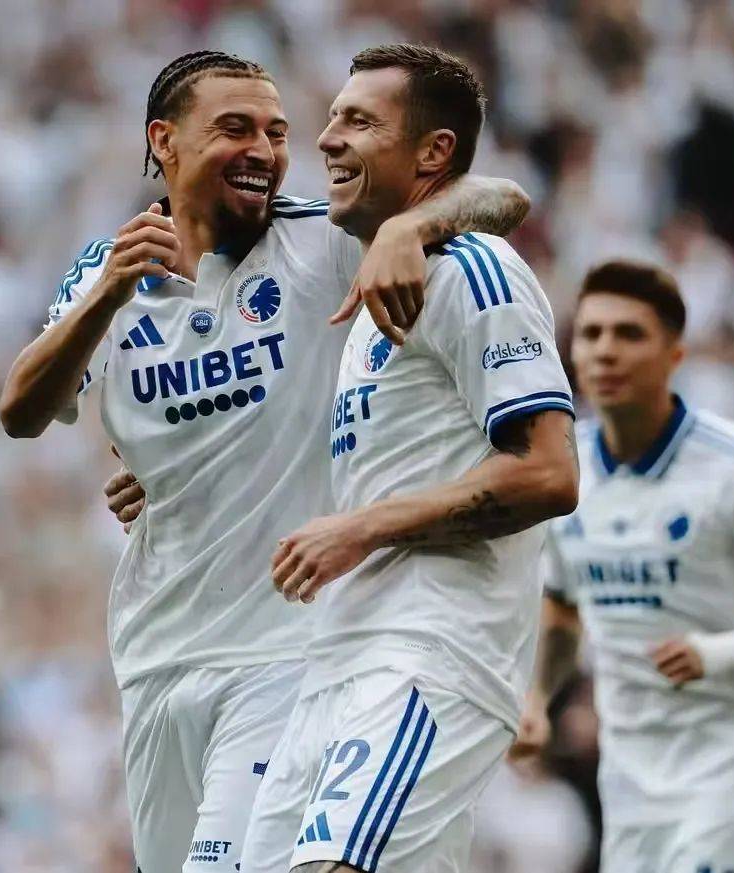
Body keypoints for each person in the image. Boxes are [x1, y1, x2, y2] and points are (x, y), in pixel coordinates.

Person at [0, 50, 528, 873]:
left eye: (276, 133)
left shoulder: (323, 240)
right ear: (165, 141)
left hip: (286, 653)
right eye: (236, 129)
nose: (266, 151)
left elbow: (504, 199)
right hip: (156, 653)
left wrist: (408, 228)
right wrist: (106, 295)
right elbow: (22, 411)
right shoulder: (110, 270)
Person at [239, 44, 579, 873]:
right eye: (332, 119)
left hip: (430, 650)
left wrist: (362, 528)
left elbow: (548, 473)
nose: (326, 138)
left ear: (433, 153)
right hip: (339, 655)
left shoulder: (473, 271)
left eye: (359, 121)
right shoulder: (368, 296)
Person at [510, 259, 734, 872]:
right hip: (632, 786)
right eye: (591, 334)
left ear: (675, 354)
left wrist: (721, 652)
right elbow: (564, 608)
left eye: (629, 334)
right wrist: (538, 698)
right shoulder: (568, 474)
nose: (606, 351)